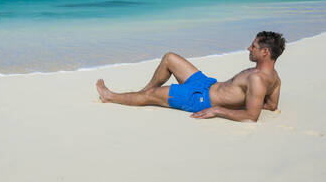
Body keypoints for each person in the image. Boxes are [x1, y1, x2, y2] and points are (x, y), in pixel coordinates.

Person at [96, 31, 285, 122]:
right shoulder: (274, 78)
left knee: (151, 96)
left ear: (265, 52)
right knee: (170, 58)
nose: (249, 49)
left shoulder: (257, 80)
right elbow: (271, 105)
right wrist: (244, 100)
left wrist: (219, 110)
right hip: (207, 84)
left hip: (201, 99)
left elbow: (252, 116)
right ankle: (141, 92)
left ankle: (110, 96)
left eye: (253, 46)